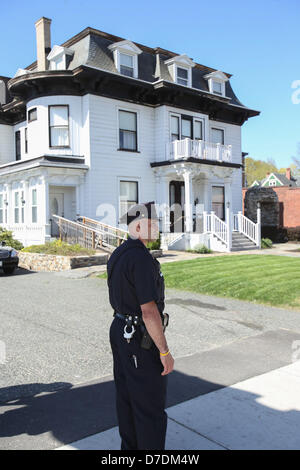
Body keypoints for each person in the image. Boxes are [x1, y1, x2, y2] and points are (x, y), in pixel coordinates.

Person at [107, 201, 174, 450]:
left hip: (119, 329)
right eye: (152, 223)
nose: (157, 227)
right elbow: (149, 311)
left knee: (126, 399)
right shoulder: (141, 258)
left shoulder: (119, 253)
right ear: (138, 227)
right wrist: (165, 352)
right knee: (149, 406)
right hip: (139, 338)